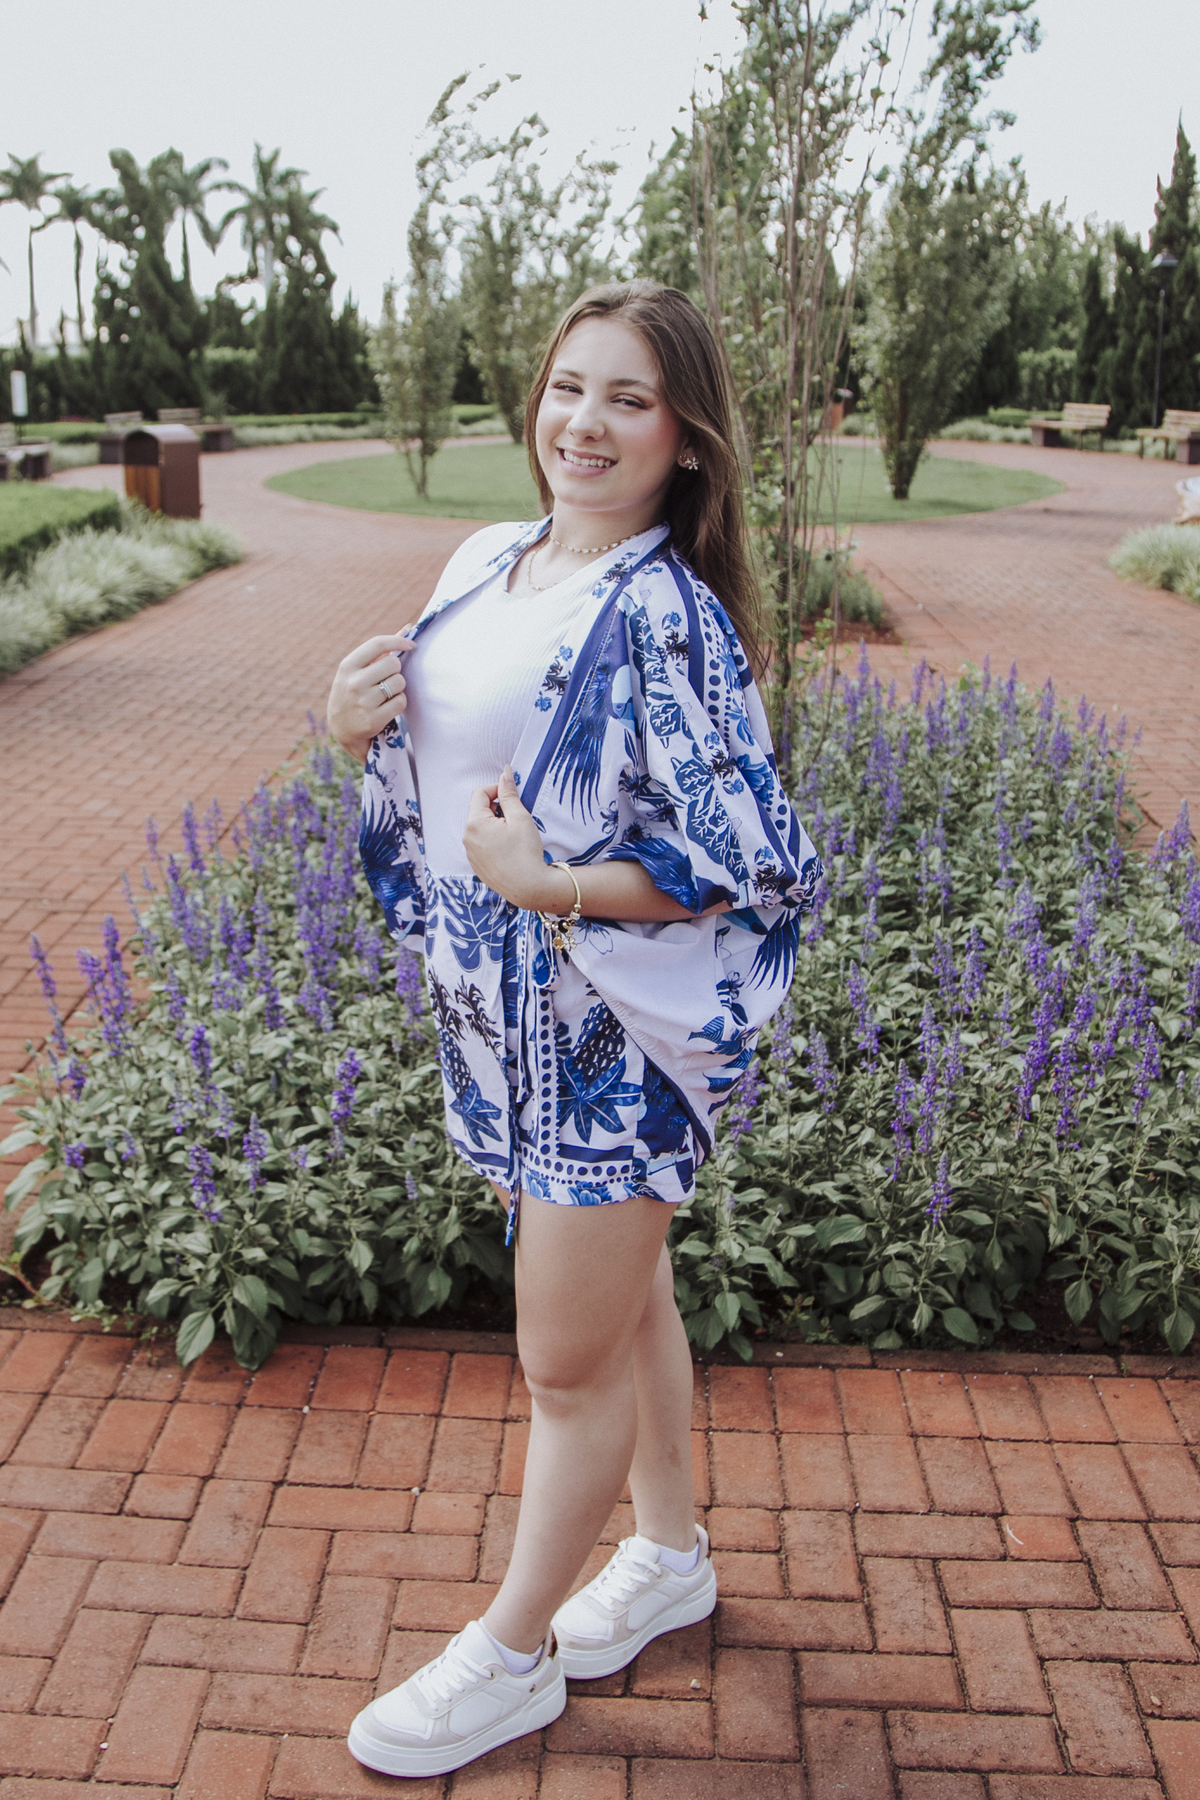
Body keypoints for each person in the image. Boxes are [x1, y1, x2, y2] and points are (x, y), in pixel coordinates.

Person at [326, 279, 821, 1780]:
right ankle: (666, 1556)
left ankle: (513, 1654)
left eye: (629, 399)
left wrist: (552, 884)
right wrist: (354, 726)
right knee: (625, 1299)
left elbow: (755, 858)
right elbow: (441, 770)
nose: (585, 423)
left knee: (563, 1363)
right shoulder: (492, 559)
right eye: (568, 386)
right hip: (497, 1019)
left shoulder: (667, 619)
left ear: (686, 438)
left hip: (613, 1039)